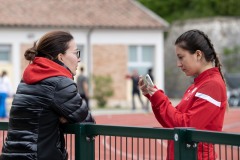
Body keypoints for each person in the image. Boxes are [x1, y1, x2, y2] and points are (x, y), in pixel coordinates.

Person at [0, 31, 95, 160]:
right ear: (61, 57)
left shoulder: (26, 80)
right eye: (76, 53)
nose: (78, 59)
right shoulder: (61, 83)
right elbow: (88, 124)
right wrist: (65, 117)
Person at [138, 29, 227, 160]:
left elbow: (186, 126)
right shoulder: (197, 85)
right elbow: (171, 122)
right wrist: (153, 95)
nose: (178, 64)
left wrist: (159, 97)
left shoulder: (212, 85)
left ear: (198, 54)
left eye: (181, 57)